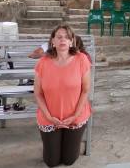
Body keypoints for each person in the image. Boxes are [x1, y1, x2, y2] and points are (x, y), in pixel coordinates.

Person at [34, 25, 92, 167]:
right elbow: (38, 93)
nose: (63, 40)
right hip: (50, 117)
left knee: (69, 160)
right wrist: (49, 117)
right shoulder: (43, 62)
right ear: (52, 41)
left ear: (72, 41)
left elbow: (85, 90)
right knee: (51, 162)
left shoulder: (81, 59)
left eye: (67, 37)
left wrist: (74, 116)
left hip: (75, 116)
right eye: (59, 37)